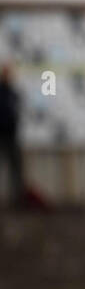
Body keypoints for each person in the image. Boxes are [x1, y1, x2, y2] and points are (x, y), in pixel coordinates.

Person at [0, 64, 24, 208]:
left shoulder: (12, 93)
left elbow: (15, 112)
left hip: (11, 135)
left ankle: (17, 198)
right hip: (3, 134)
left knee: (16, 167)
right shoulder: (5, 93)